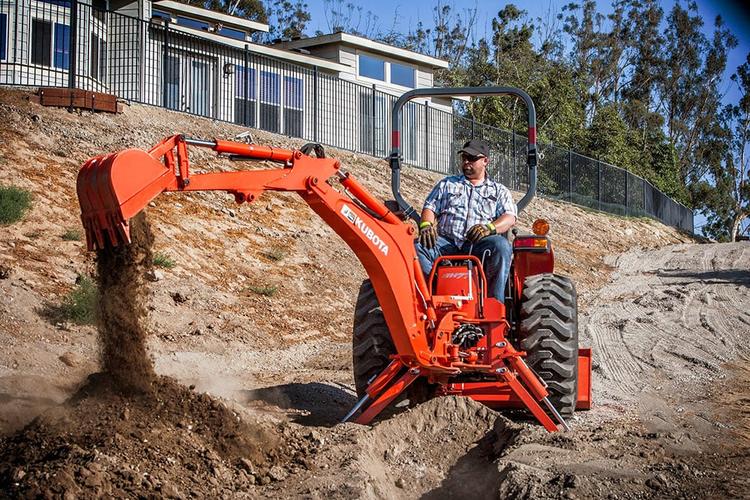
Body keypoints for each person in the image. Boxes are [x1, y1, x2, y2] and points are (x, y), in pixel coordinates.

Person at [415, 139, 517, 301]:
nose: (466, 162)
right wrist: (426, 225)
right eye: (464, 158)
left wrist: (489, 228)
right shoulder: (447, 184)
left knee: (501, 246)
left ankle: (495, 303)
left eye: (472, 158)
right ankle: (430, 294)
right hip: (446, 244)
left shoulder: (498, 190)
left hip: (478, 246)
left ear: (485, 161)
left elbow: (509, 217)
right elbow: (430, 207)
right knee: (417, 246)